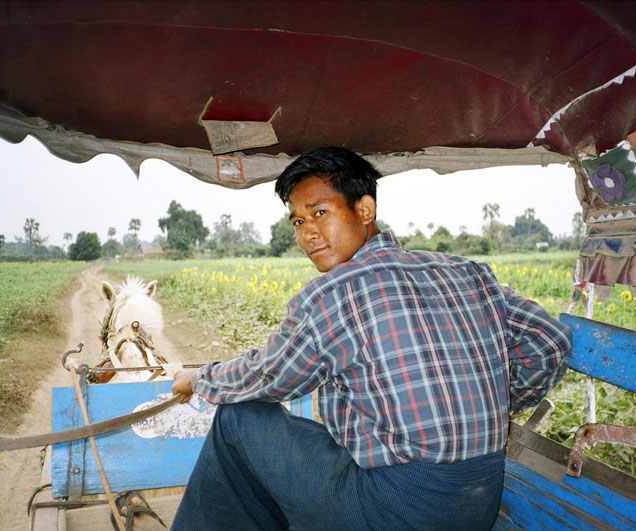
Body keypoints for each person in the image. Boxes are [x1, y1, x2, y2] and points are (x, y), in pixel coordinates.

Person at [170, 146, 572, 530]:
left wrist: (203, 378)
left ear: (365, 209)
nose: (308, 234)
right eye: (297, 221)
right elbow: (550, 342)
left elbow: (269, 376)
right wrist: (498, 403)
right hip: (478, 502)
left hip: (396, 511)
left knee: (237, 418)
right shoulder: (468, 271)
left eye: (320, 212)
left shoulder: (331, 295)